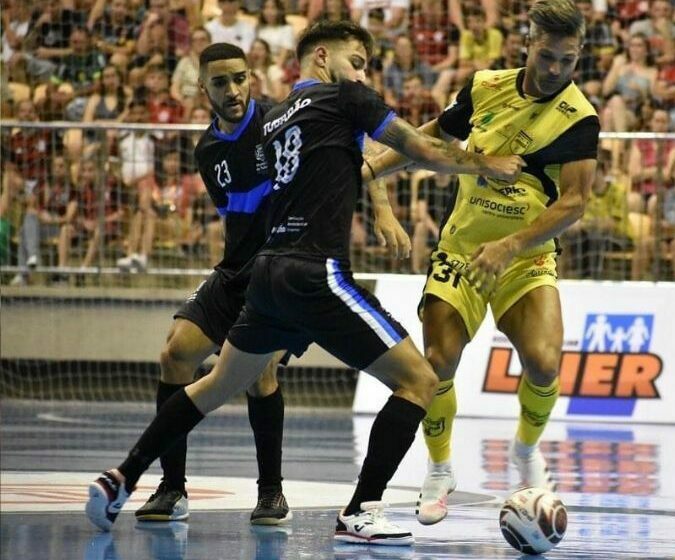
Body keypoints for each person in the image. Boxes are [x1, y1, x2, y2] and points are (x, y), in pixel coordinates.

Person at [85, 21, 524, 546]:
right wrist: (489, 165)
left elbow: (341, 167)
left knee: (212, 386)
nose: (363, 74)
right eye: (357, 62)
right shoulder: (347, 99)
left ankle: (123, 477)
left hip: (267, 274)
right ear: (322, 57)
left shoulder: (273, 119)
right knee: (420, 381)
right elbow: (420, 148)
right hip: (317, 272)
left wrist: (376, 205)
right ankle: (360, 510)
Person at [367, 0, 599, 526]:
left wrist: (512, 246)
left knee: (543, 362)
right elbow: (428, 142)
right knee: (438, 360)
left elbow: (575, 203)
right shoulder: (485, 86)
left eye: (567, 60)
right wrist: (369, 171)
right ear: (528, 42)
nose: (555, 70)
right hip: (461, 250)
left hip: (526, 257)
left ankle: (524, 450)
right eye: (547, 56)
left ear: (578, 54)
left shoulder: (579, 117)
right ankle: (441, 468)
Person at [129, 43, 290, 526]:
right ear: (203, 89)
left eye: (240, 78)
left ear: (251, 79)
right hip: (235, 269)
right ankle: (172, 489)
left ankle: (271, 493)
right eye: (220, 82)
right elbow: (231, 216)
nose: (233, 89)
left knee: (258, 374)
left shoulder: (280, 124)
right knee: (176, 354)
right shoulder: (207, 150)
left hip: (280, 271)